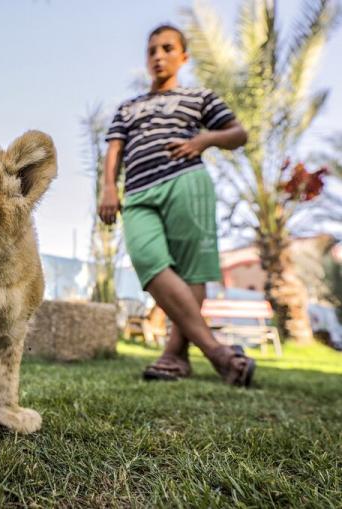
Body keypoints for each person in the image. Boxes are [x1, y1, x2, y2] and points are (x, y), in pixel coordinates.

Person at [99, 24, 255, 386]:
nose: (158, 56)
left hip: (187, 183)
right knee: (147, 259)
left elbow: (239, 133)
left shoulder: (200, 97)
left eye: (167, 48)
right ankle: (217, 352)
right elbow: (115, 149)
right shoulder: (129, 107)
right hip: (138, 192)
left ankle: (174, 354)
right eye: (152, 50)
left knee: (191, 271)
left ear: (183, 56)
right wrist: (109, 188)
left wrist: (203, 141)